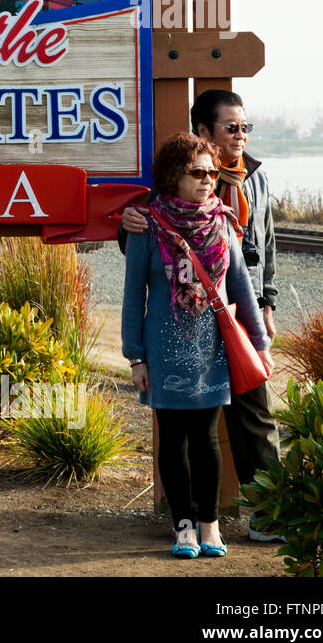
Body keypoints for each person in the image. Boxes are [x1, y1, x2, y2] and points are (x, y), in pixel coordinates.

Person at [119, 89, 282, 542]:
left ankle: (268, 512)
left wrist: (266, 304)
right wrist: (124, 223)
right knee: (185, 435)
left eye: (246, 127)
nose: (241, 136)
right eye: (231, 127)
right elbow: (145, 235)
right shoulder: (171, 185)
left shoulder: (255, 177)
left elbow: (266, 244)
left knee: (255, 420)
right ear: (205, 131)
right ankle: (189, 523)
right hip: (181, 328)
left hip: (237, 317)